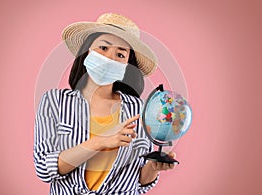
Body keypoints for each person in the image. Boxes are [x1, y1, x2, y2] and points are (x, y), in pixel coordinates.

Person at [34, 13, 176, 194]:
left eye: (120, 54)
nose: (110, 58)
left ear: (126, 65)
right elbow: (44, 168)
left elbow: (138, 181)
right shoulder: (55, 101)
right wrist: (100, 142)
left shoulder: (139, 109)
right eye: (103, 47)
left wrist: (152, 169)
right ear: (87, 51)